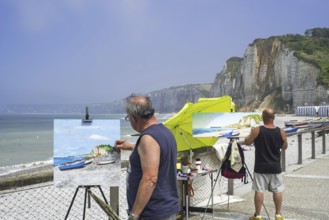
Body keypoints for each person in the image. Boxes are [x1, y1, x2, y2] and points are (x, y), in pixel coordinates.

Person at [115, 94, 181, 220]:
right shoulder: (165, 132)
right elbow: (155, 154)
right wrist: (130, 146)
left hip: (153, 213)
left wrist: (134, 215)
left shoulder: (148, 139)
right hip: (166, 208)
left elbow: (150, 180)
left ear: (134, 118)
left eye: (127, 118)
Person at [242, 108, 288, 220]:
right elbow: (284, 147)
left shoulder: (257, 130)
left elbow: (247, 142)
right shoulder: (280, 131)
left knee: (259, 190)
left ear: (263, 118)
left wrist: (250, 132)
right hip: (275, 166)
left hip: (261, 166)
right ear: (274, 118)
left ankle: (258, 215)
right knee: (277, 190)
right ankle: (278, 215)